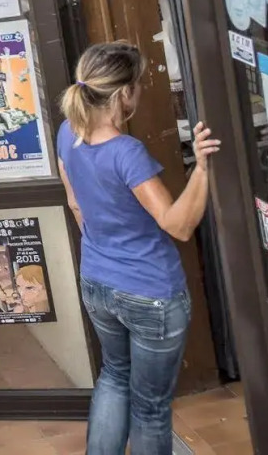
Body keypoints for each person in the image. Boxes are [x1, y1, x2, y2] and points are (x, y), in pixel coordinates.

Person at [57, 41, 221, 455]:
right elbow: (179, 225)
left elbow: (75, 202)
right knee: (149, 407)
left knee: (114, 376)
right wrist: (201, 169)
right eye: (139, 84)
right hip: (149, 293)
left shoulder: (67, 133)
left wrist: (103, 247)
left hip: (96, 281)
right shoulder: (126, 152)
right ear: (123, 94)